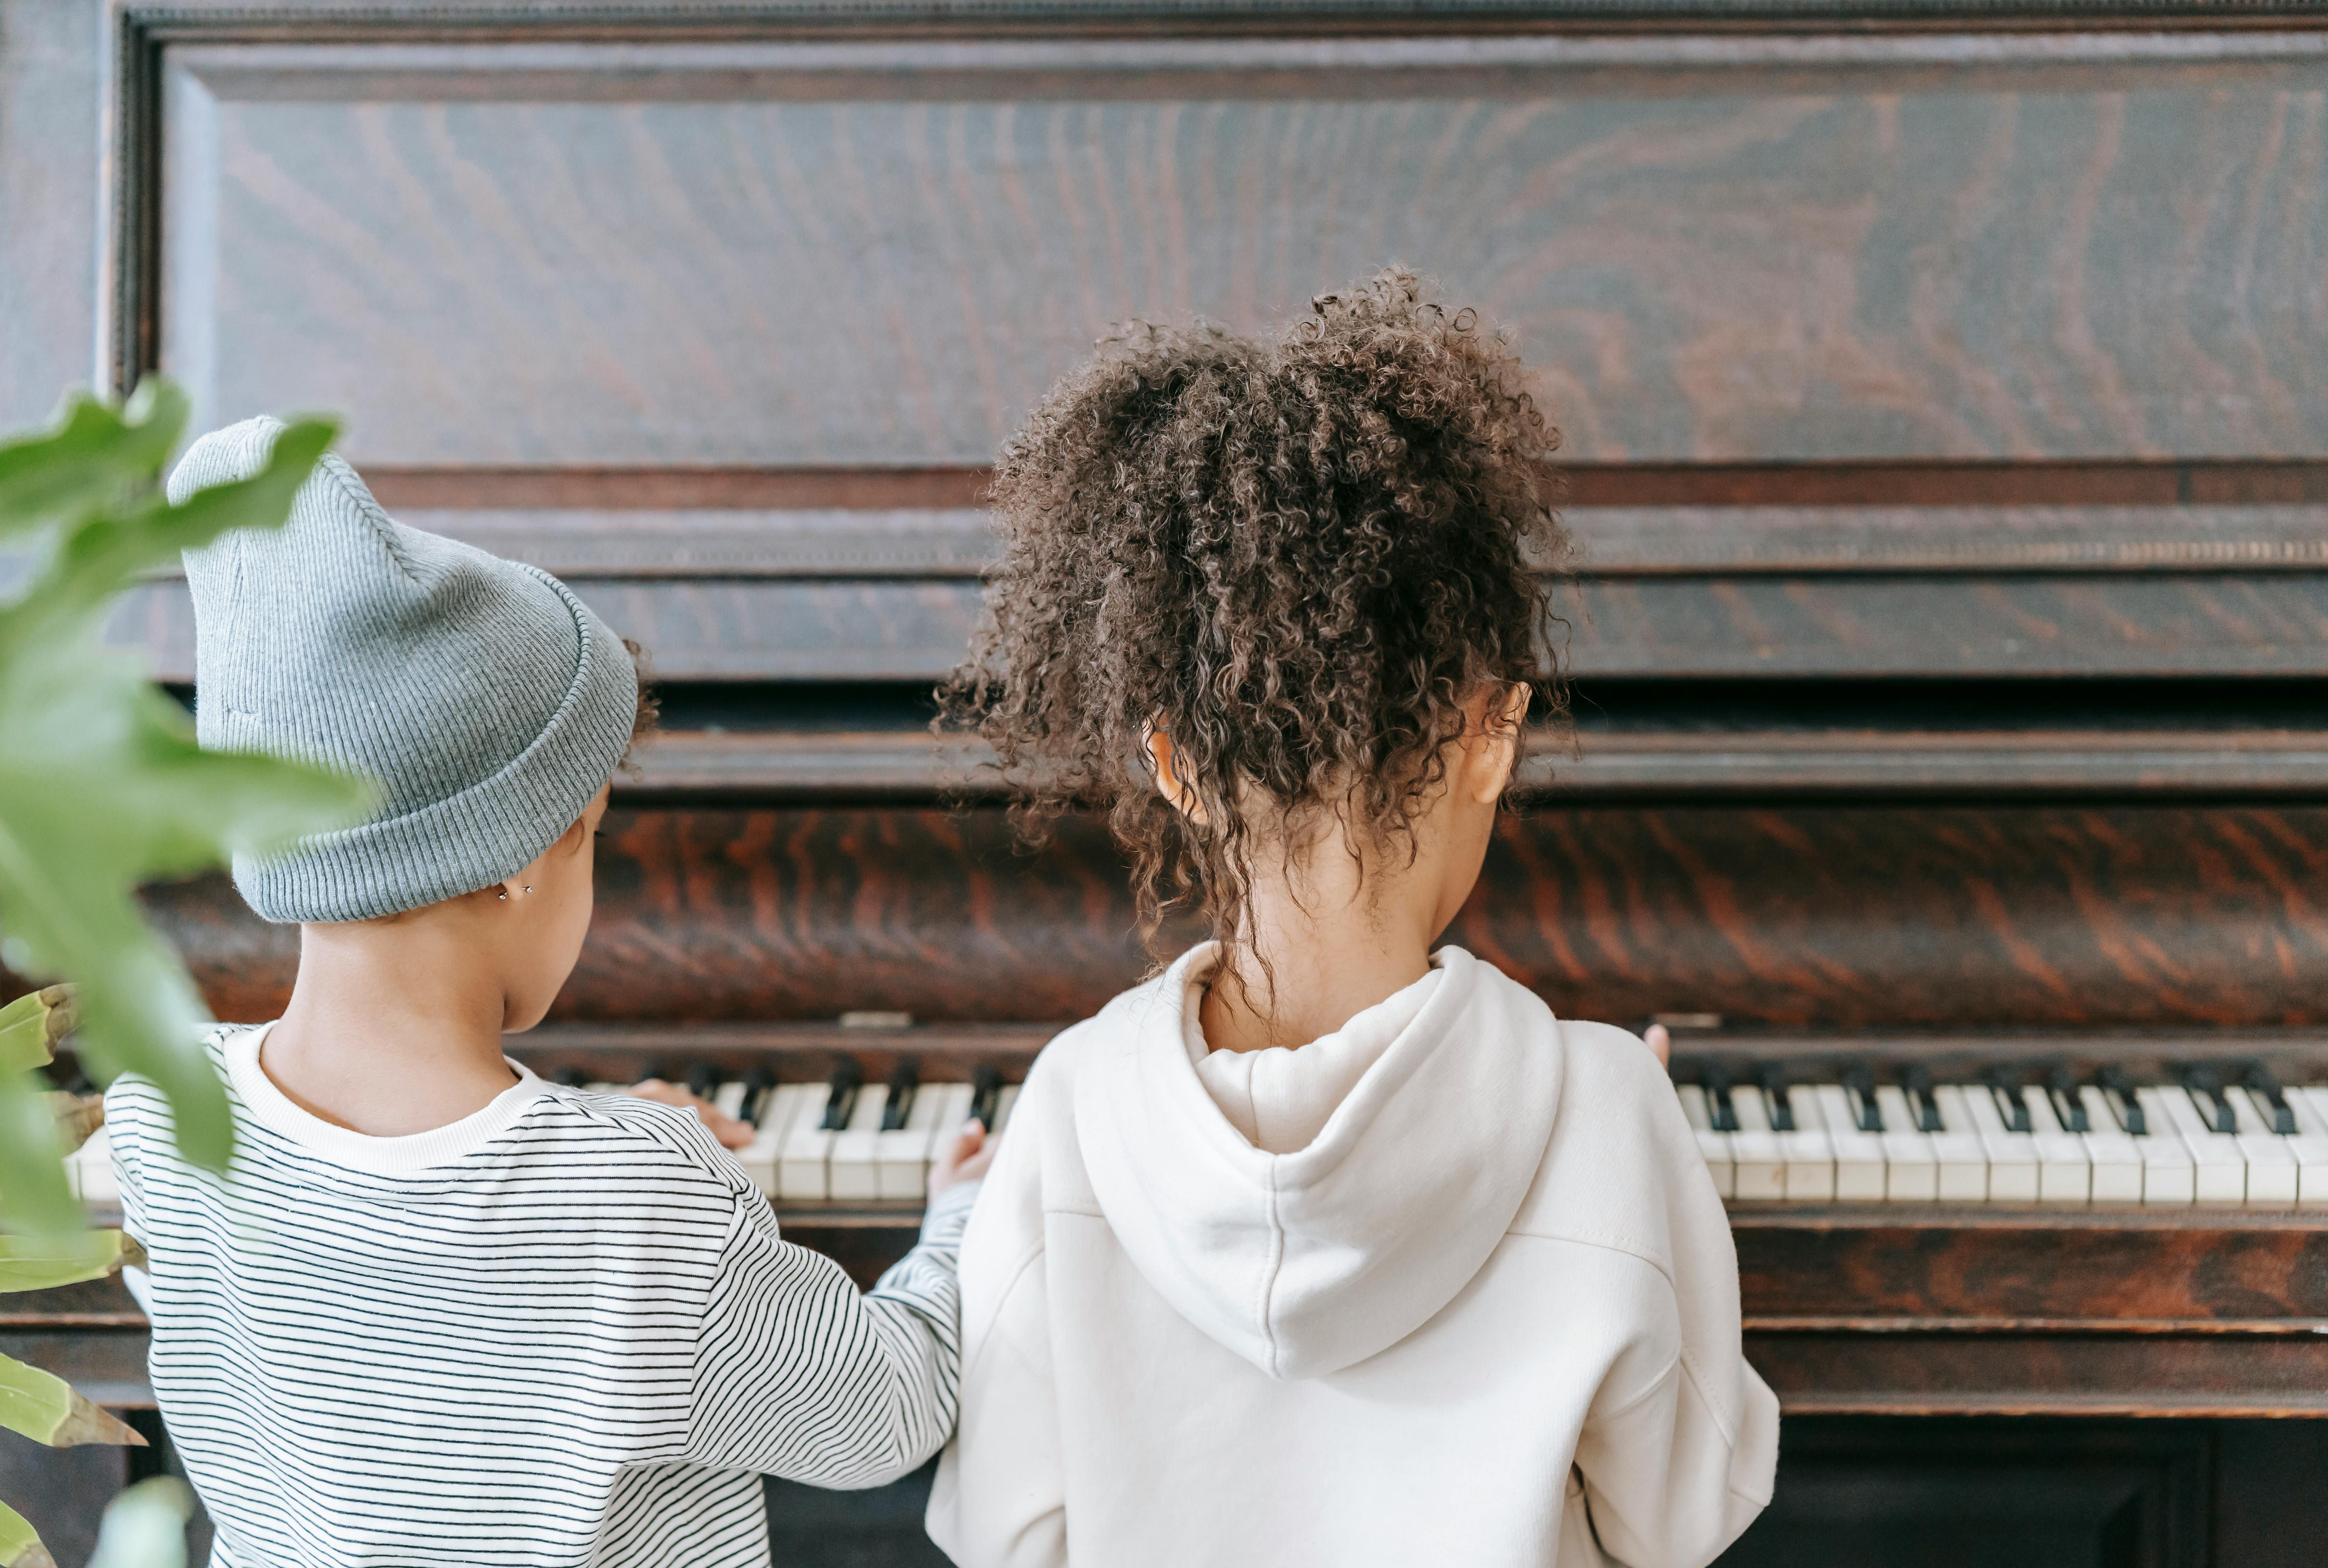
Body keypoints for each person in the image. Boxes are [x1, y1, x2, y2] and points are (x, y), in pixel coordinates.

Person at [925, 272, 1776, 1567]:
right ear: (1493, 730)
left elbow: (1010, 1534)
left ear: (1174, 763)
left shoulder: (1070, 1108)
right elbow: (1683, 1517)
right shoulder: (1603, 1111)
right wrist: (1637, 1151)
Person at [106, 417, 995, 1567]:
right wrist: (966, 1222)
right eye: (596, 838)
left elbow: (396, 1277)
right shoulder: (644, 1200)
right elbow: (890, 1413)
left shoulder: (157, 1118)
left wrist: (608, 1150)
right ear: (526, 852)